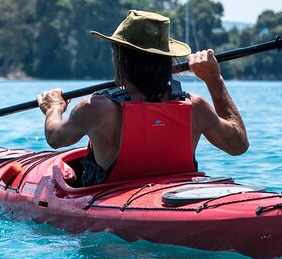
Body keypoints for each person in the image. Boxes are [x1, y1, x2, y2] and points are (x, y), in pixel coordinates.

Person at [37, 10, 248, 187]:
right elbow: (238, 145)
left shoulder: (95, 109)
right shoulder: (196, 107)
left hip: (115, 212)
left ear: (121, 59)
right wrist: (214, 80)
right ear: (167, 62)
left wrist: (54, 108)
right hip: (175, 198)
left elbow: (56, 137)